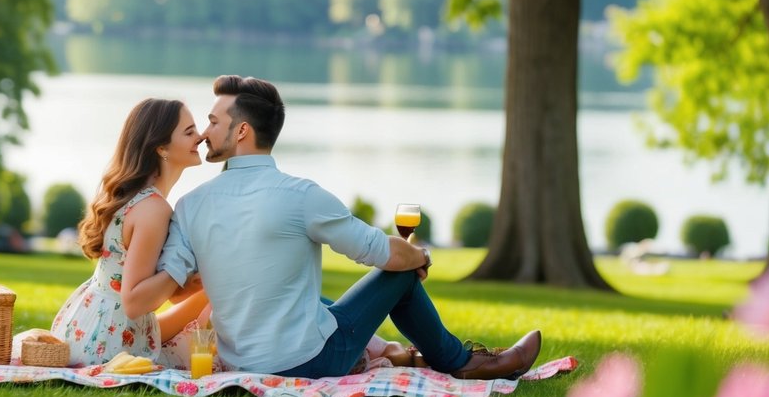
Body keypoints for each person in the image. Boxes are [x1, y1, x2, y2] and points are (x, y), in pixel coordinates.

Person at [125, 75, 542, 380]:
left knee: (304, 294)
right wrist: (420, 256)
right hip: (311, 361)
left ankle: (411, 353)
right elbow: (385, 253)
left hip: (242, 363)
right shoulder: (301, 195)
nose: (203, 133)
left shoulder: (191, 205)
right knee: (398, 275)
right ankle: (461, 362)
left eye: (213, 122)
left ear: (242, 131)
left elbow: (174, 281)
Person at [50, 98, 210, 367]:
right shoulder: (153, 209)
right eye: (189, 131)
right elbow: (135, 303)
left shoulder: (136, 199)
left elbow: (158, 295)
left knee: (211, 302)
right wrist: (179, 269)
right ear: (161, 148)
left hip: (92, 327)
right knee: (208, 345)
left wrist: (203, 283)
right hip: (110, 348)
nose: (202, 136)